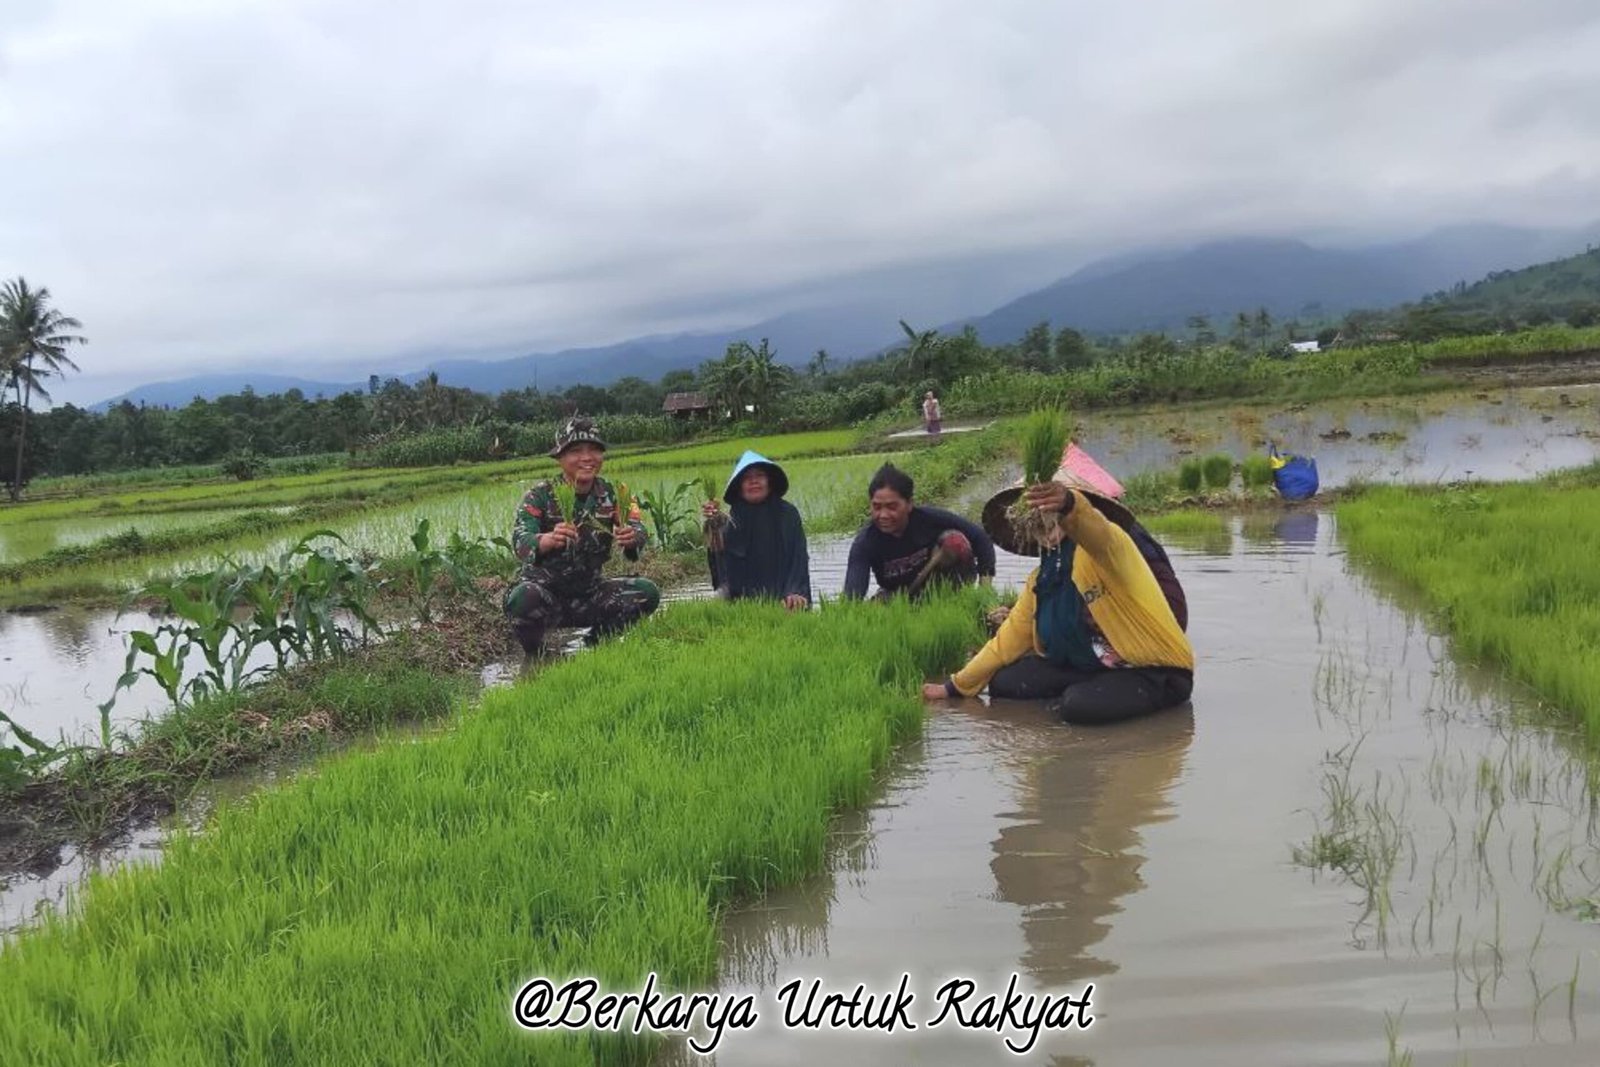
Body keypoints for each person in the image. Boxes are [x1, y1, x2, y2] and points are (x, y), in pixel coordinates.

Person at [921, 462, 1193, 725]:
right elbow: (1008, 640)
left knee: (1078, 706)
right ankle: (1085, 693)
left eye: (1050, 512)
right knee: (1004, 683)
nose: (1043, 521)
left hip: (1150, 670)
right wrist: (954, 686)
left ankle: (1087, 698)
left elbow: (1094, 530)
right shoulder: (1042, 577)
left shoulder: (1109, 547)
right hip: (1089, 668)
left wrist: (1068, 504)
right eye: (1034, 518)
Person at [504, 415, 660, 656]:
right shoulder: (539, 496)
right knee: (522, 598)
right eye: (576, 451)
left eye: (594, 450)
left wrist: (632, 537)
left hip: (590, 595)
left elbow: (638, 527)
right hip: (546, 597)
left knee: (645, 592)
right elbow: (520, 542)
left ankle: (596, 645)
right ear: (560, 457)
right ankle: (539, 655)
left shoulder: (615, 493)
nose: (587, 458)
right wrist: (546, 540)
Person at [842, 463, 996, 601]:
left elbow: (981, 538)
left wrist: (985, 592)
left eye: (892, 507)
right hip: (899, 596)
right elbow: (853, 594)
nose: (883, 515)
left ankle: (958, 599)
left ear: (909, 504)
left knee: (954, 541)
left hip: (944, 588)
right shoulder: (865, 542)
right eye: (876, 507)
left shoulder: (930, 519)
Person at [700, 450, 811, 610]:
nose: (754, 481)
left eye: (759, 475)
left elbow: (798, 557)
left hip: (785, 594)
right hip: (743, 599)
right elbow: (722, 559)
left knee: (793, 606)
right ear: (739, 486)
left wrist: (794, 591)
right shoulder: (732, 518)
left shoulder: (787, 513)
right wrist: (713, 523)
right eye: (747, 478)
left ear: (769, 482)